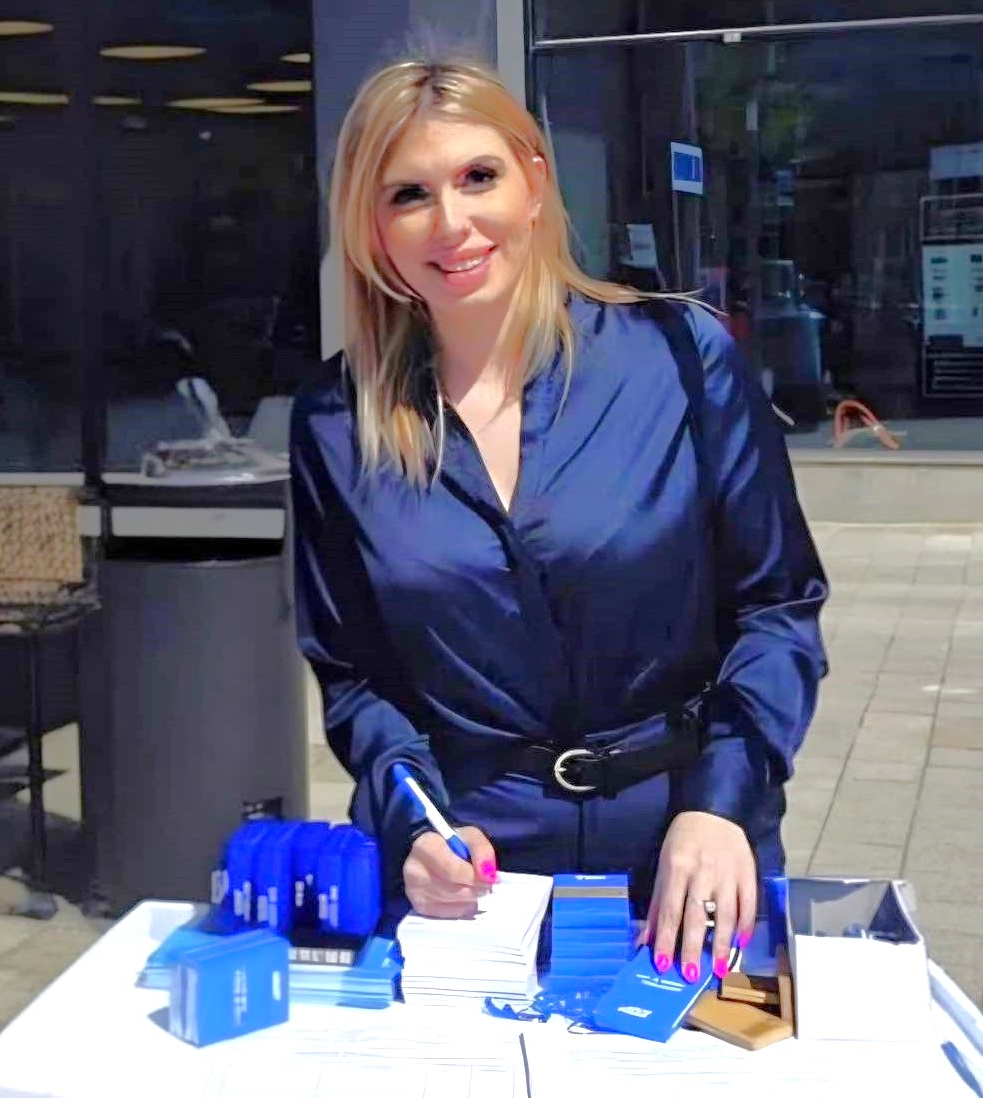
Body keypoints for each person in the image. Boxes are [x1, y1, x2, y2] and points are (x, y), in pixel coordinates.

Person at [291, 57, 828, 984]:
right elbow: (354, 674)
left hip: (686, 857)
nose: (451, 222)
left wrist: (722, 803)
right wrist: (411, 823)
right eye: (409, 194)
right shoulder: (339, 422)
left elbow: (776, 608)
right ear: (371, 228)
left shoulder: (680, 356)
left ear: (533, 182)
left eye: (478, 177)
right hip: (475, 883)